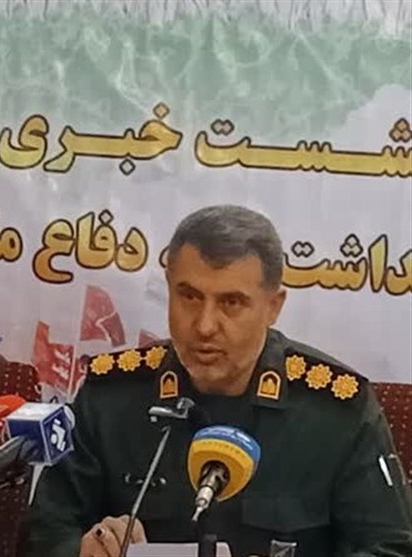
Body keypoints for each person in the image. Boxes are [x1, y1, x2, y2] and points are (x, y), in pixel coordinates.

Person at [27, 205, 412, 557]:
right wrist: (83, 550)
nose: (205, 325)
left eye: (231, 303)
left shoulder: (336, 411)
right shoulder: (112, 395)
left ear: (273, 307)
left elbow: (392, 548)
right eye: (189, 297)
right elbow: (43, 534)